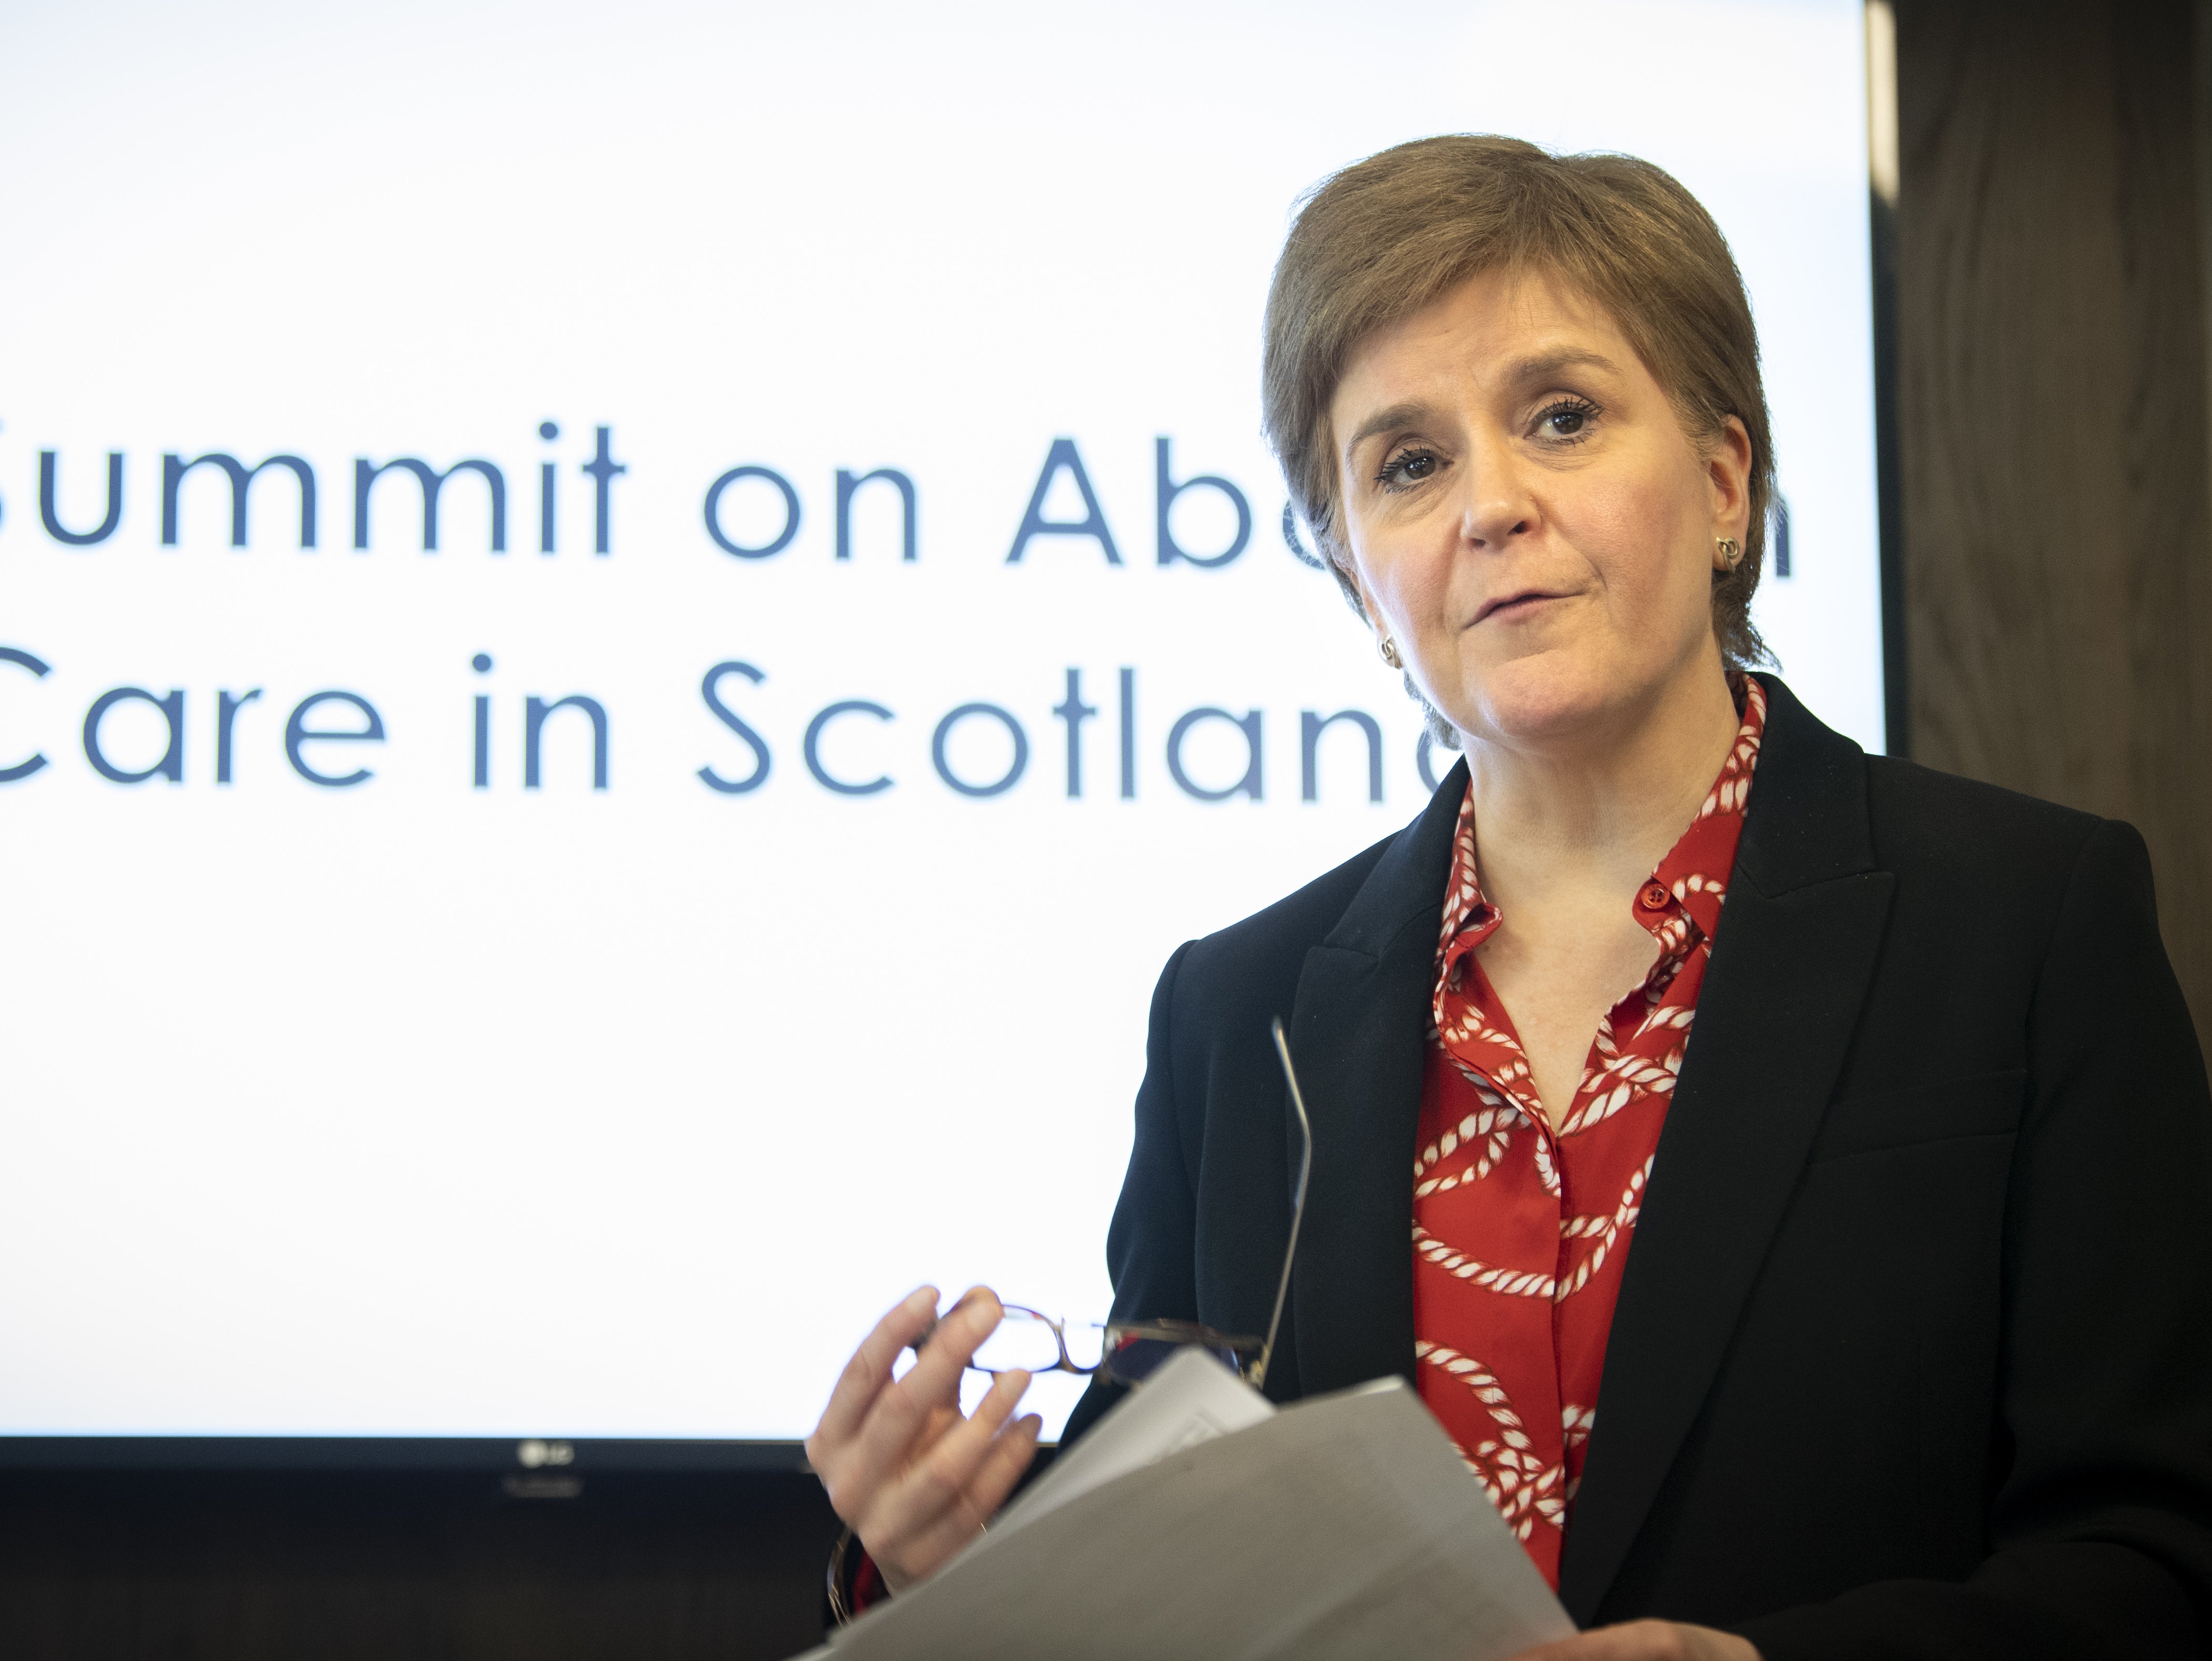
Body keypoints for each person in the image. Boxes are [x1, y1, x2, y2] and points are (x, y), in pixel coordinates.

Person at [805, 135, 2212, 1660]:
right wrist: (960, 1560)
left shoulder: (2024, 921)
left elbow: (2158, 1558)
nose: (1490, 506)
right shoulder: (1237, 1013)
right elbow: (1171, 1595)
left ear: (1726, 481)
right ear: (1357, 578)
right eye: (1407, 463)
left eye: (1560, 417)